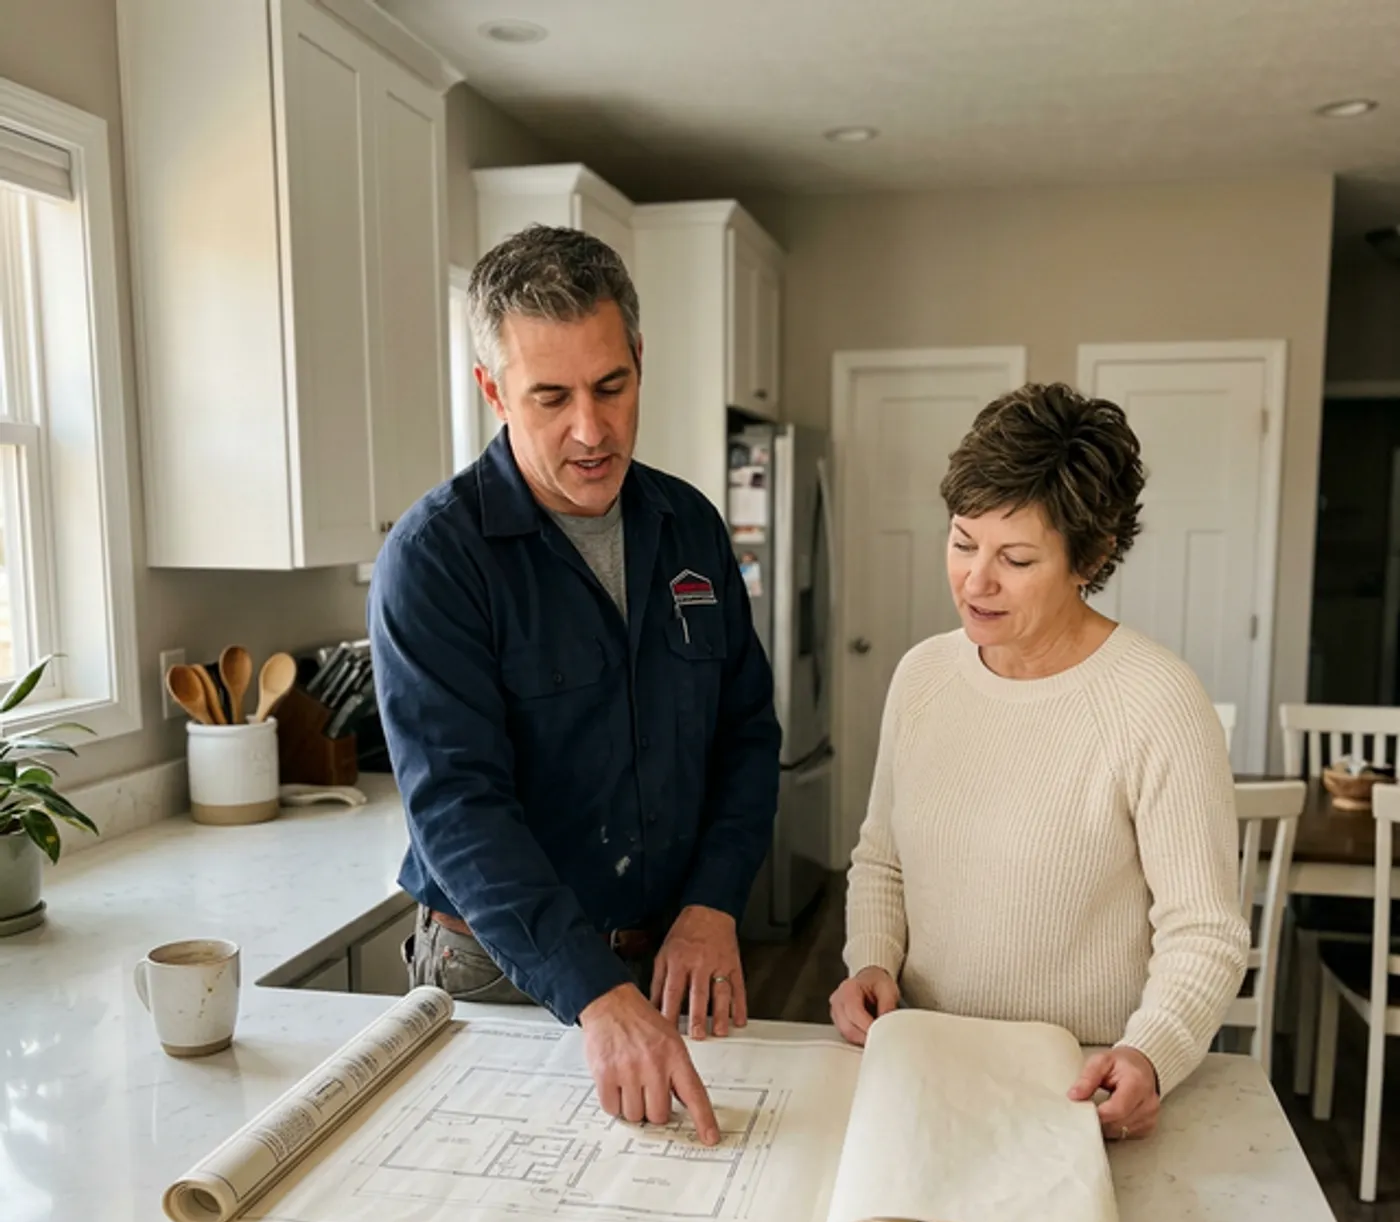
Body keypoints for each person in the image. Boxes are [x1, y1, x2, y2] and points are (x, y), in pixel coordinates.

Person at [369, 226, 781, 1147]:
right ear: (492, 390)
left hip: (677, 955)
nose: (590, 432)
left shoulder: (691, 528)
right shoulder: (435, 561)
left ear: (640, 359)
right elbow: (460, 807)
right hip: (499, 966)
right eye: (549, 398)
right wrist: (593, 987)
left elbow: (747, 732)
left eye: (611, 387)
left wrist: (715, 901)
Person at [830, 383, 1249, 1140]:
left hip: (1077, 1089)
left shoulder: (1159, 700)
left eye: (1015, 558)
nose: (975, 581)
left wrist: (1150, 1054)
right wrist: (870, 963)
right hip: (923, 1068)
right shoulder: (921, 677)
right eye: (962, 542)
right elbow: (881, 859)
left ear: (1090, 558)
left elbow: (1205, 929)